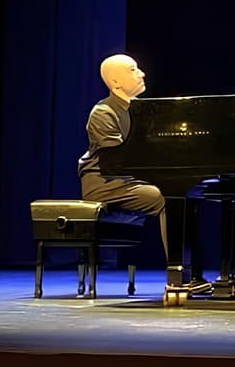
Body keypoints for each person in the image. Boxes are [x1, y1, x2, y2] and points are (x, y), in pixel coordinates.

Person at [77, 53, 212, 295]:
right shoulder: (103, 112)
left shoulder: (141, 111)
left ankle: (195, 274)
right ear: (115, 82)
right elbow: (115, 159)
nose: (142, 73)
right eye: (133, 69)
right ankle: (177, 274)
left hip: (129, 179)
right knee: (163, 198)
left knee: (186, 194)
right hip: (104, 181)